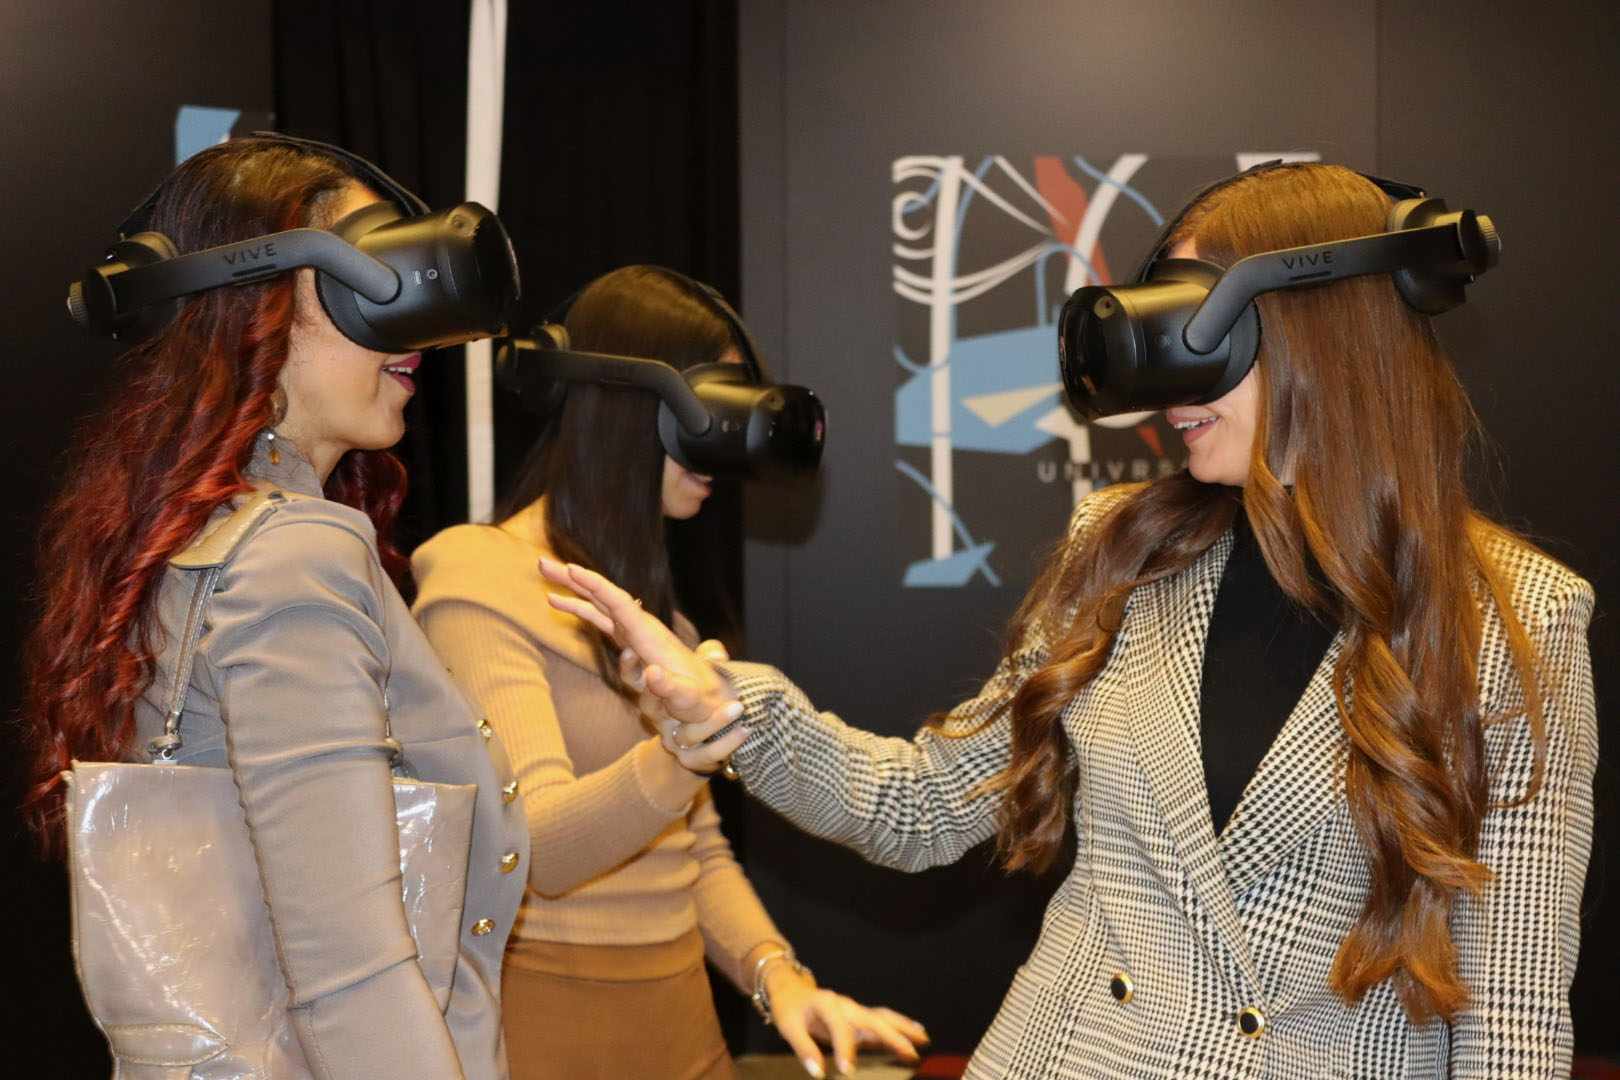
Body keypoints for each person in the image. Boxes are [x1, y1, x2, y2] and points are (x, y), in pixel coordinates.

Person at [541, 165, 1598, 1080]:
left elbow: (1510, 1014)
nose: (1163, 387)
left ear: (1317, 324)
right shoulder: (1127, 548)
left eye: (1192, 328)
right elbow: (924, 806)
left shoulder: (1516, 619)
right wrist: (729, 712)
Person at [20, 136, 528, 1080]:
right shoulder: (296, 555)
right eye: (369, 274)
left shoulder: (199, 535)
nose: (413, 330)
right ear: (255, 297)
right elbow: (352, 977)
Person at [411, 265, 928, 1080]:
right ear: (629, 404)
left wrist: (781, 979)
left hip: (687, 1031)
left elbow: (694, 848)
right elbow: (536, 848)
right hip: (554, 1036)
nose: (725, 442)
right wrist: (684, 751)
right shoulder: (479, 585)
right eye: (713, 405)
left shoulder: (666, 629)